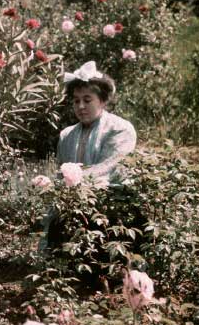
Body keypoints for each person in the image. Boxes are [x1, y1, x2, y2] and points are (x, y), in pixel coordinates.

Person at [43, 60, 137, 249]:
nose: (81, 106)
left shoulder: (120, 129)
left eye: (87, 100)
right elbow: (62, 172)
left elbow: (110, 169)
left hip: (108, 206)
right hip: (72, 206)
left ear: (102, 101)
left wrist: (75, 183)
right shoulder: (67, 135)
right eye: (76, 101)